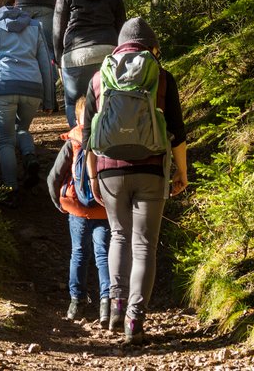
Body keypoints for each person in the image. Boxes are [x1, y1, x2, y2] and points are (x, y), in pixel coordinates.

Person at [82, 17, 189, 345]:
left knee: (118, 235)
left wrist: (92, 176)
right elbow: (178, 134)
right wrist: (182, 172)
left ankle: (115, 305)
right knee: (144, 245)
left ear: (119, 46)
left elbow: (88, 136)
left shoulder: (100, 78)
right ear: (152, 48)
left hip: (109, 168)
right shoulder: (163, 78)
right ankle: (134, 320)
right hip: (152, 168)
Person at [0, 0, 53, 206]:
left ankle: (11, 191)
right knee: (22, 128)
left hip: (3, 87)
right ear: (15, 3)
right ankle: (29, 157)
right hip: (32, 87)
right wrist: (49, 99)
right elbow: (45, 64)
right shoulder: (35, 25)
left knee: (6, 141)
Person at [46, 96, 111, 326]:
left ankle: (76, 303)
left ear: (77, 117)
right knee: (104, 256)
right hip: (104, 208)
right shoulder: (108, 137)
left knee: (79, 254)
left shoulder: (72, 141)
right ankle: (107, 304)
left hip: (76, 207)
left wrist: (59, 203)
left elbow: (53, 177)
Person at [53, 0, 126, 128]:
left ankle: (80, 146)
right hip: (107, 52)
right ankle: (105, 146)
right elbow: (121, 23)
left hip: (75, 55)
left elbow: (57, 31)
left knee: (73, 103)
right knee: (107, 103)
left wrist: (58, 60)